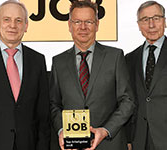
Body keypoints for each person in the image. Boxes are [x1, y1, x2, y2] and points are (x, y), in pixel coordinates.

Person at [49, 0, 135, 150]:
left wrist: (105, 130)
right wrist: (61, 130)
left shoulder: (115, 57)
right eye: (77, 22)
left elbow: (128, 101)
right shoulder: (58, 62)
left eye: (88, 21)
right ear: (69, 25)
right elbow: (54, 104)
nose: (83, 27)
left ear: (97, 24)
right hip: (72, 146)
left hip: (109, 144)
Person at [0, 0, 50, 150]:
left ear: (26, 26)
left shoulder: (38, 60)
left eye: (19, 20)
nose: (13, 25)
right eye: (7, 19)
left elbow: (43, 115)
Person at [125, 1, 167, 150]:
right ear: (138, 25)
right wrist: (129, 138)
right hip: (139, 140)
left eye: (156, 18)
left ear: (164, 21)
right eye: (145, 19)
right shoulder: (129, 58)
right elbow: (128, 100)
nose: (151, 25)